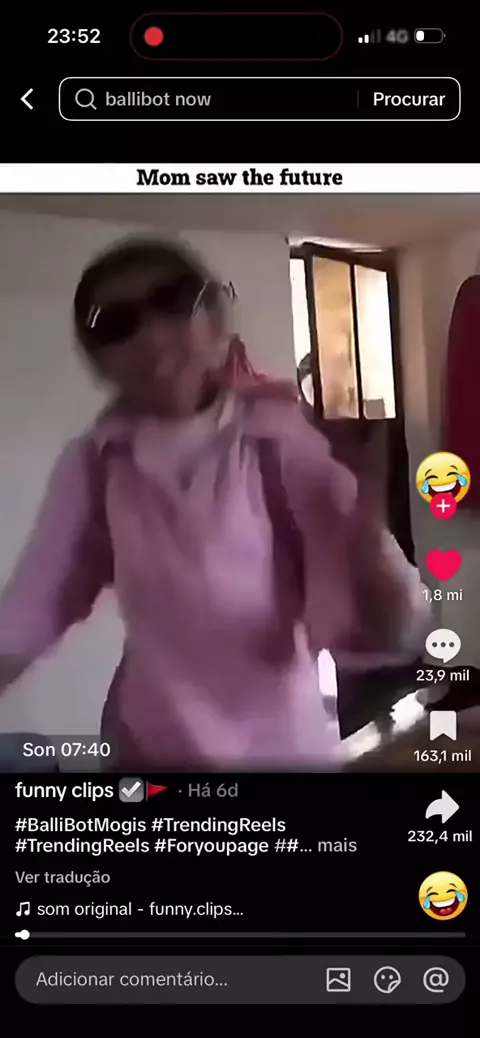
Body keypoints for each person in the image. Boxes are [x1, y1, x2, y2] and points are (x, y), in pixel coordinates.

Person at [0, 238, 429, 769]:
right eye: (116, 323)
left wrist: (366, 522)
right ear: (98, 359)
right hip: (151, 753)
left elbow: (385, 629)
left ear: (216, 317)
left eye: (173, 301)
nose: (152, 333)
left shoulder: (277, 438)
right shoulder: (95, 464)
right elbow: (28, 612)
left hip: (279, 753)